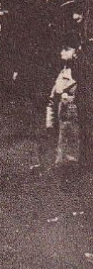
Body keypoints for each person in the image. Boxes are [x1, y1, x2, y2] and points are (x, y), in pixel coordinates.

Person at [46, 48, 80, 182]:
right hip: (64, 113)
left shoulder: (82, 71)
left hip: (76, 113)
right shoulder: (62, 73)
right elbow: (52, 99)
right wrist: (49, 122)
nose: (61, 52)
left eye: (66, 49)